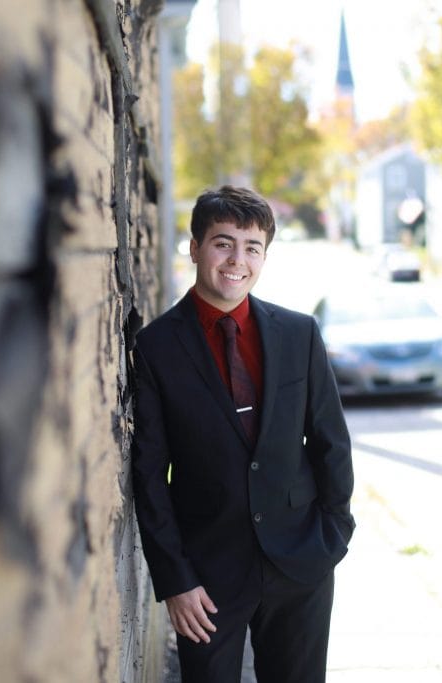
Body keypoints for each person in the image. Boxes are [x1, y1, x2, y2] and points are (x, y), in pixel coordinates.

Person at [131, 185, 355, 682]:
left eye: (252, 248)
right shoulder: (156, 347)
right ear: (194, 248)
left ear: (265, 257)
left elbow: (331, 443)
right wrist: (175, 581)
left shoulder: (299, 334)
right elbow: (148, 476)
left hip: (301, 563)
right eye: (223, 243)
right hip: (206, 579)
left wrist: (334, 533)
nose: (238, 260)